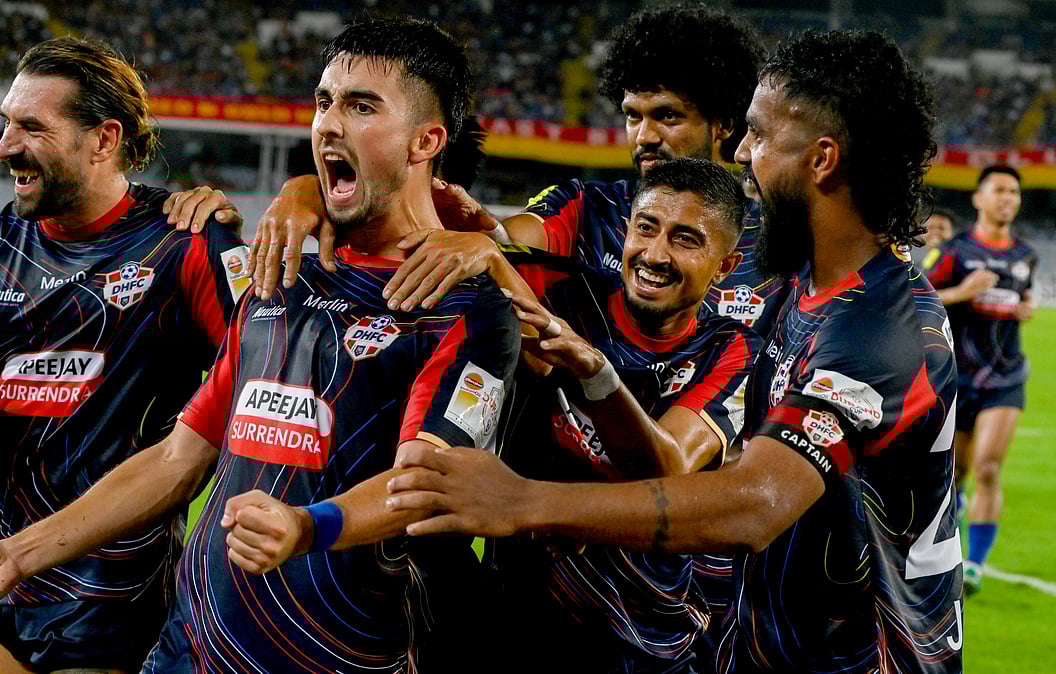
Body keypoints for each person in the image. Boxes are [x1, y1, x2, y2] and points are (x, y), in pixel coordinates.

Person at [0, 18, 520, 674]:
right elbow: (178, 458)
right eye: (323, 101)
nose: (328, 124)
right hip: (188, 651)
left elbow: (426, 483)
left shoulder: (468, 309)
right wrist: (16, 555)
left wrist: (306, 526)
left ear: (426, 141)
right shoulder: (280, 277)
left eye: (361, 107)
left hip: (334, 654)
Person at [387, 30, 962, 674]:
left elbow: (755, 503)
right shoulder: (804, 290)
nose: (740, 153)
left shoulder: (878, 327)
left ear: (822, 160)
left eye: (758, 135)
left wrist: (521, 504)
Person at [0, 37, 247, 673]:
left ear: (103, 140)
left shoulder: (185, 245)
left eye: (32, 127)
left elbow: (256, 394)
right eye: (6, 123)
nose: (4, 146)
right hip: (3, 580)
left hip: (119, 592)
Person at [248, 5, 780, 336]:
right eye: (632, 116)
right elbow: (497, 242)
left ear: (721, 124)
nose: (644, 136)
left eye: (667, 116)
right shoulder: (588, 206)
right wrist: (306, 190)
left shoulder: (780, 240)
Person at [475, 158, 759, 672]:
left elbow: (667, 469)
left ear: (725, 266)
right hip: (518, 619)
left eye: (685, 239)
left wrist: (594, 372)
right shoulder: (566, 290)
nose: (655, 254)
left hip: (645, 636)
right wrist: (310, 195)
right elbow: (457, 246)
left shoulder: (732, 351)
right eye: (646, 228)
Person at [926, 164, 1036, 596]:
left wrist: (1026, 308)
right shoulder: (952, 252)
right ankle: (949, 530)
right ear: (979, 198)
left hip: (1005, 376)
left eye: (1014, 192)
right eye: (999, 190)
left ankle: (975, 565)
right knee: (957, 472)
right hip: (957, 376)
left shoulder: (1025, 255)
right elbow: (918, 301)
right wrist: (962, 292)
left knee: (989, 466)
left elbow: (1022, 297)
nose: (1008, 198)